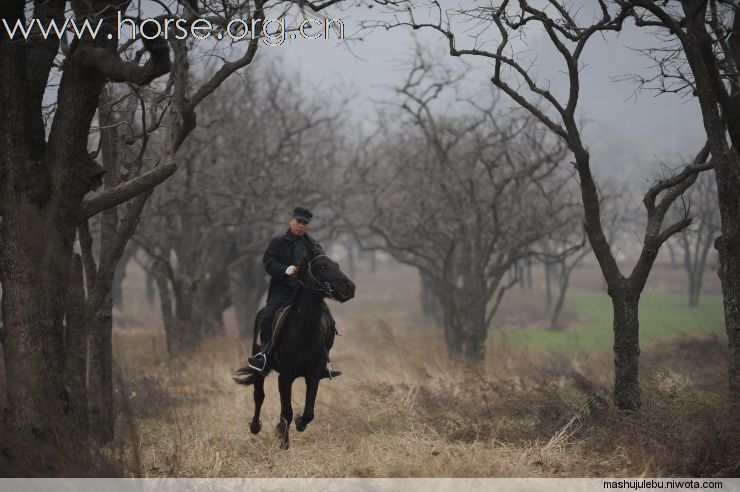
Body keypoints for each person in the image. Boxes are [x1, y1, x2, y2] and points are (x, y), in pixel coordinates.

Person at [247, 207, 341, 379]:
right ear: (291, 220)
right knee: (267, 318)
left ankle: (324, 362)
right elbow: (268, 262)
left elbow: (321, 266)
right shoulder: (278, 242)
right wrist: (285, 269)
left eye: (305, 223)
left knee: (330, 322)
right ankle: (264, 356)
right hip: (282, 291)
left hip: (308, 294)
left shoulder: (313, 245)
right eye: (299, 222)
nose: (301, 225)